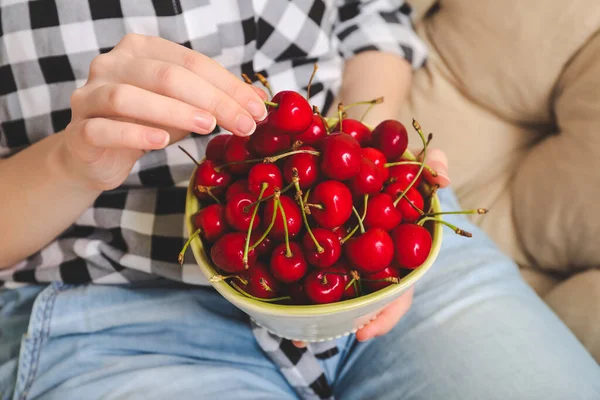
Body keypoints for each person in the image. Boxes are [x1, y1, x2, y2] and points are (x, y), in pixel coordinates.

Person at [0, 1, 599, 399]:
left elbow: (372, 20)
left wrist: (373, 168)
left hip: (386, 255)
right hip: (114, 309)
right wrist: (69, 162)